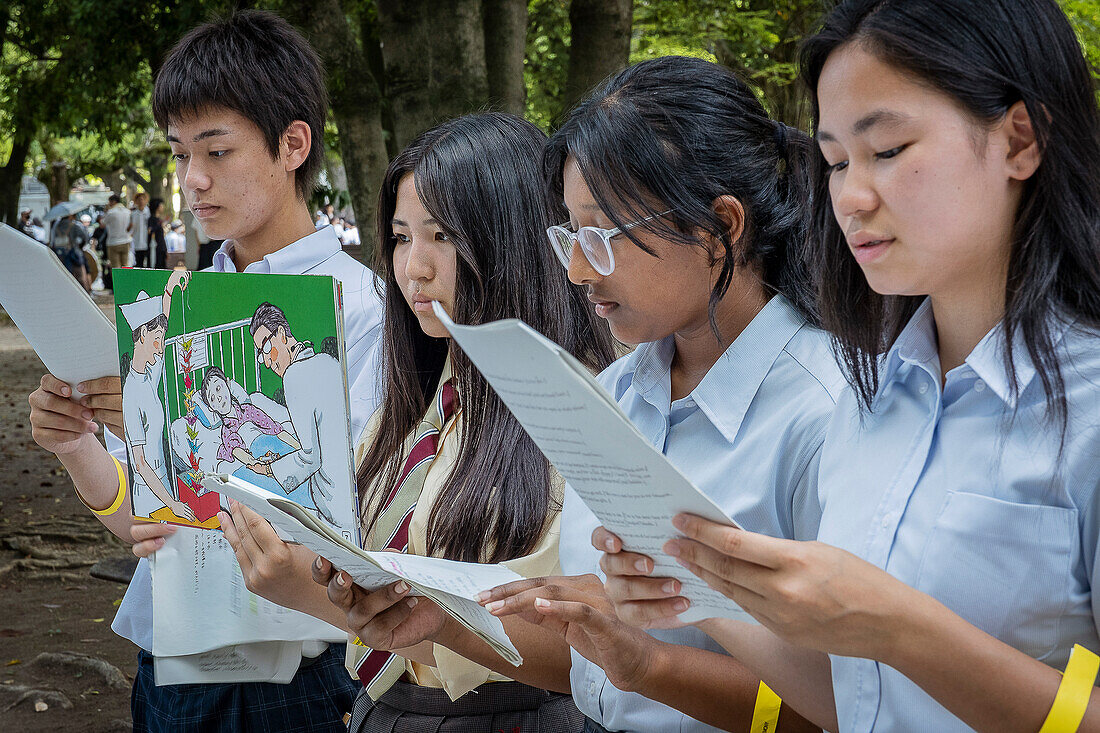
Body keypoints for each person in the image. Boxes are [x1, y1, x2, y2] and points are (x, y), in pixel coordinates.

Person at [597, 1, 1100, 732]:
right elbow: (854, 701)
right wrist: (695, 588)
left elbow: (889, 639)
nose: (852, 197)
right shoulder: (868, 401)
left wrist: (902, 627)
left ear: (1020, 139)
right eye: (834, 162)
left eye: (888, 150)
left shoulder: (1086, 405)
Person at [28, 9, 385, 731]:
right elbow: (142, 523)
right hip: (169, 666)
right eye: (180, 152)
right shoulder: (167, 308)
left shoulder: (359, 308)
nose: (192, 180)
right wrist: (77, 447)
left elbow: (354, 527)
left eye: (216, 152)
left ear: (293, 144)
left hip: (293, 675)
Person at [472, 55, 844, 733]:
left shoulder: (824, 412)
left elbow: (851, 704)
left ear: (722, 226)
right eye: (571, 236)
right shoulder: (614, 394)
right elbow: (595, 664)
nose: (581, 270)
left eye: (604, 237)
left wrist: (657, 665)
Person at [216, 112, 617, 732]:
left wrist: (439, 621)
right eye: (402, 238)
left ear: (514, 240)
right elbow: (384, 609)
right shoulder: (415, 409)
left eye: (442, 236)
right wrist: (299, 579)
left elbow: (601, 650)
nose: (414, 268)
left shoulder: (584, 407)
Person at [247, 301, 345, 524]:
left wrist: (269, 470)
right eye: (261, 356)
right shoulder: (327, 361)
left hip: (332, 502)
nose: (267, 361)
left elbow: (310, 458)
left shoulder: (295, 376)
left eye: (265, 348)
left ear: (281, 333)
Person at [118, 273, 197, 522]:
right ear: (142, 336)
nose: (161, 346)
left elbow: (164, 321)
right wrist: (172, 504)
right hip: (148, 495)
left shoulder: (149, 376)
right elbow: (139, 463)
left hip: (163, 484)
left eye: (161, 339)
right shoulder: (130, 393)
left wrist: (169, 290)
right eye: (156, 340)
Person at [198, 365, 300, 471]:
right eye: (212, 398)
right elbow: (237, 451)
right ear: (211, 408)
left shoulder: (248, 410)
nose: (218, 398)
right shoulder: (227, 431)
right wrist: (259, 465)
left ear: (227, 384)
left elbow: (273, 427)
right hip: (255, 459)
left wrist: (298, 447)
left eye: (218, 388)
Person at [50, 213, 90, 291]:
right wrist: (79, 247)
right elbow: (84, 238)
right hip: (73, 253)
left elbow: (52, 241)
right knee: (80, 276)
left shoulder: (56, 226)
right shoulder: (74, 225)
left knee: (63, 275)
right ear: (70, 216)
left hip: (59, 255)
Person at [103, 193, 132, 269]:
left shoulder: (111, 213)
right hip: (126, 241)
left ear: (113, 202)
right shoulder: (128, 212)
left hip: (113, 242)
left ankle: (117, 281)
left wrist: (106, 211)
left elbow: (103, 224)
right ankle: (126, 281)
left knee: (116, 267)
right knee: (125, 265)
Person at [130, 192, 151, 267]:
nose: (141, 201)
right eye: (139, 199)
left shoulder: (149, 213)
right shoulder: (133, 214)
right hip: (137, 242)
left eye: (143, 199)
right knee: (138, 263)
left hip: (148, 242)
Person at [147, 197, 167, 269]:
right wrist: (159, 226)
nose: (163, 207)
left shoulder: (159, 219)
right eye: (161, 205)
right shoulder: (152, 219)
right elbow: (150, 231)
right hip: (155, 248)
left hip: (161, 247)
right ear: (157, 207)